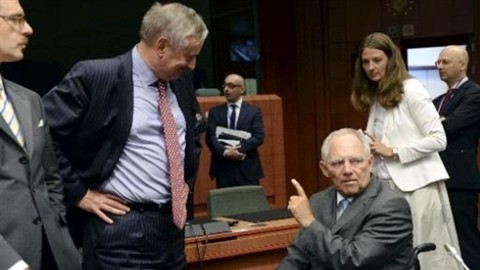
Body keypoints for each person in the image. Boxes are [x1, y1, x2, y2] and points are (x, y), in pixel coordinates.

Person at [42, 2, 208, 269]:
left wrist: (185, 183)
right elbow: (41, 134)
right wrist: (78, 193)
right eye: (188, 55)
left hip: (172, 229)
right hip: (120, 228)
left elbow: (191, 134)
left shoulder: (181, 81)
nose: (192, 65)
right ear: (161, 45)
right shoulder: (96, 76)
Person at [351, 32, 461, 270]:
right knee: (395, 254)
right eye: (366, 62)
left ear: (391, 59)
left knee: (425, 253)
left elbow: (438, 139)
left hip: (417, 186)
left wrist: (394, 151)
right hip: (385, 186)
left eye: (377, 60)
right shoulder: (376, 94)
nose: (371, 67)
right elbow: (382, 141)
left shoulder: (411, 88)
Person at [0, 1, 81, 270]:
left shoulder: (30, 100)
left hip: (56, 253)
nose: (29, 29)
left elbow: (49, 176)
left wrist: (57, 221)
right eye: (16, 19)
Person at [278, 128, 413, 269]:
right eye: (337, 163)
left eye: (356, 161)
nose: (347, 170)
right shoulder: (318, 201)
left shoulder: (391, 205)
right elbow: (298, 257)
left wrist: (309, 223)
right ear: (324, 169)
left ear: (369, 163)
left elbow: (354, 261)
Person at [432, 45, 480, 270]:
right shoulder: (439, 99)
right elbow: (429, 128)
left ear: (462, 64)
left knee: (465, 239)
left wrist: (440, 122)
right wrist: (439, 121)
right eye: (438, 62)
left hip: (459, 181)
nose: (439, 66)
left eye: (445, 62)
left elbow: (451, 126)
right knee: (442, 238)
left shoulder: (474, 93)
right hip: (436, 177)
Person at [205, 73, 264, 188]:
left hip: (247, 169)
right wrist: (226, 152)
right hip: (223, 169)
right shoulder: (215, 112)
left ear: (242, 89)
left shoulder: (254, 112)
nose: (226, 89)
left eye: (231, 86)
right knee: (226, 205)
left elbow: (258, 137)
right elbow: (210, 138)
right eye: (225, 86)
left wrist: (237, 150)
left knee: (250, 205)